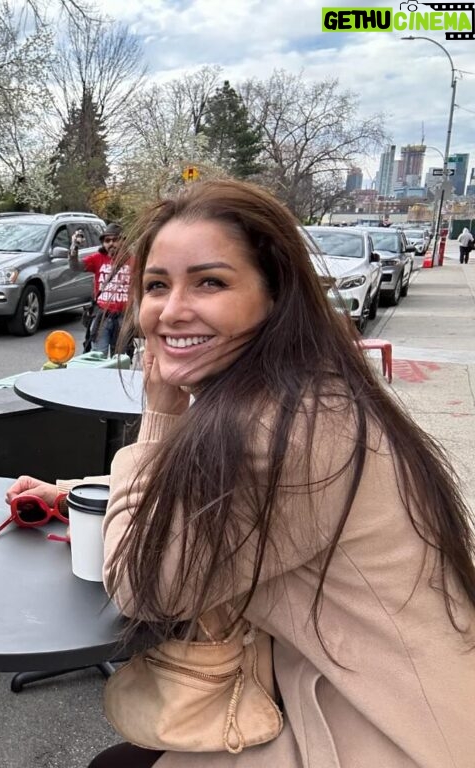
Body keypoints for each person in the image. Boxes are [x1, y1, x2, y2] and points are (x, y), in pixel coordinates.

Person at [92, 179, 475, 767]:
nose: (170, 311)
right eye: (156, 286)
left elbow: (146, 586)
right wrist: (73, 492)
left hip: (384, 735)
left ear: (274, 295)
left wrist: (160, 413)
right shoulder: (310, 392)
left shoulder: (279, 430)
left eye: (210, 282)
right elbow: (210, 498)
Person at [69, 222, 131, 356]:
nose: (111, 244)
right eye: (107, 240)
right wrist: (74, 248)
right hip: (101, 318)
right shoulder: (97, 259)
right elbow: (75, 267)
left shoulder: (134, 261)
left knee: (121, 360)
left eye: (115, 240)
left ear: (123, 241)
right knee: (98, 357)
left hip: (123, 319)